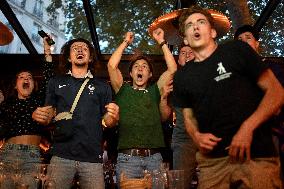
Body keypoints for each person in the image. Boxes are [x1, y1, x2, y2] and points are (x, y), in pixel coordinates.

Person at [173, 5, 284, 189]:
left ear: (213, 31)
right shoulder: (183, 76)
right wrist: (197, 135)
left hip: (255, 156)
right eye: (189, 25)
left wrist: (247, 128)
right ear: (185, 38)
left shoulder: (237, 51)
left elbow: (276, 92)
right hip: (212, 164)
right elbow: (188, 116)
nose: (195, 27)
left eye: (201, 22)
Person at [32, 38, 119, 189]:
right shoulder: (56, 81)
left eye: (84, 48)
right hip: (60, 156)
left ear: (90, 57)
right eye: (75, 48)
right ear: (68, 57)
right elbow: (49, 113)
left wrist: (113, 117)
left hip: (92, 158)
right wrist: (39, 116)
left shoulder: (102, 86)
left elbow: (107, 121)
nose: (80, 50)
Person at [107, 28, 176, 186]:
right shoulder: (122, 90)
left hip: (155, 159)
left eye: (144, 66)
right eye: (136, 66)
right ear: (130, 73)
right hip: (127, 159)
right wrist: (125, 42)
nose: (140, 68)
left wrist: (162, 42)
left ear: (150, 74)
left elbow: (172, 69)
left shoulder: (155, 90)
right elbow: (111, 66)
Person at [0, 36, 55, 189]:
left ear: (33, 84)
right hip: (7, 154)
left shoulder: (38, 100)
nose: (26, 79)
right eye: (22, 77)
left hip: (32, 155)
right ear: (16, 85)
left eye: (29, 77)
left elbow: (49, 78)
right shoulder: (6, 103)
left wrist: (47, 50)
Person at [235, 24, 284, 185]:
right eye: (239, 40)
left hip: (268, 136)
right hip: (239, 140)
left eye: (248, 38)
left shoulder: (272, 68)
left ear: (257, 43)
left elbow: (277, 102)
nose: (243, 42)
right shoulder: (234, 75)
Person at [171, 44, 198, 188]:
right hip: (183, 138)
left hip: (208, 135)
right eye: (183, 52)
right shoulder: (172, 80)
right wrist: (163, 97)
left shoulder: (208, 75)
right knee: (180, 184)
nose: (187, 55)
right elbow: (164, 113)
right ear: (178, 59)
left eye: (190, 52)